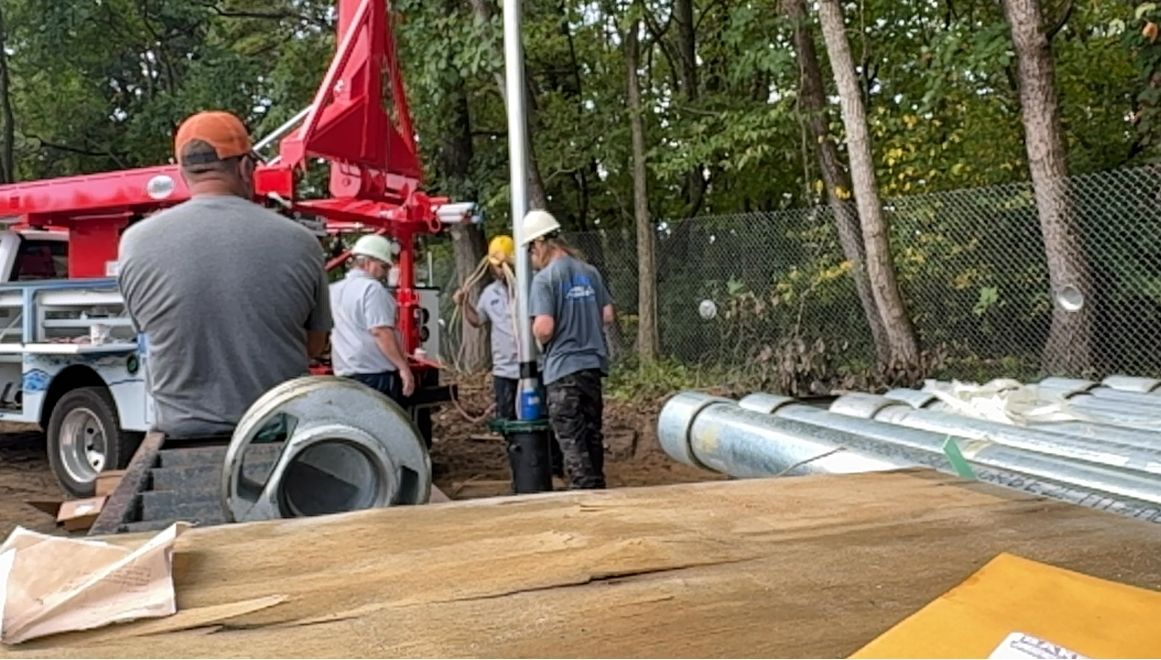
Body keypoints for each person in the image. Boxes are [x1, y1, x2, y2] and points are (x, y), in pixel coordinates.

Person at [118, 110, 332, 439]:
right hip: (274, 432)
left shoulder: (135, 242)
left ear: (182, 171)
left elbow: (150, 331)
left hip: (180, 435)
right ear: (246, 167)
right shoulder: (300, 241)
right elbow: (314, 345)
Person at [523, 210, 615, 489]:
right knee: (592, 437)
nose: (530, 259)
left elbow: (545, 328)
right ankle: (598, 492)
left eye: (529, 251)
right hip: (591, 368)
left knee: (573, 443)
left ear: (539, 244)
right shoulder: (589, 272)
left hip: (563, 372)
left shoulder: (545, 280)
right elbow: (607, 314)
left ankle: (585, 501)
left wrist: (533, 330)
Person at [329, 234, 415, 403]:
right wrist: (403, 367)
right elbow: (381, 332)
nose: (385, 273)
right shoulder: (373, 290)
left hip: (345, 376)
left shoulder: (333, 290)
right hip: (376, 378)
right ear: (369, 262)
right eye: (384, 267)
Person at [454, 235, 520, 418]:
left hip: (532, 368)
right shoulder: (490, 293)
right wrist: (464, 304)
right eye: (496, 266)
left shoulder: (530, 287)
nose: (499, 270)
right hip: (504, 370)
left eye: (502, 265)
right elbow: (477, 320)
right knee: (507, 417)